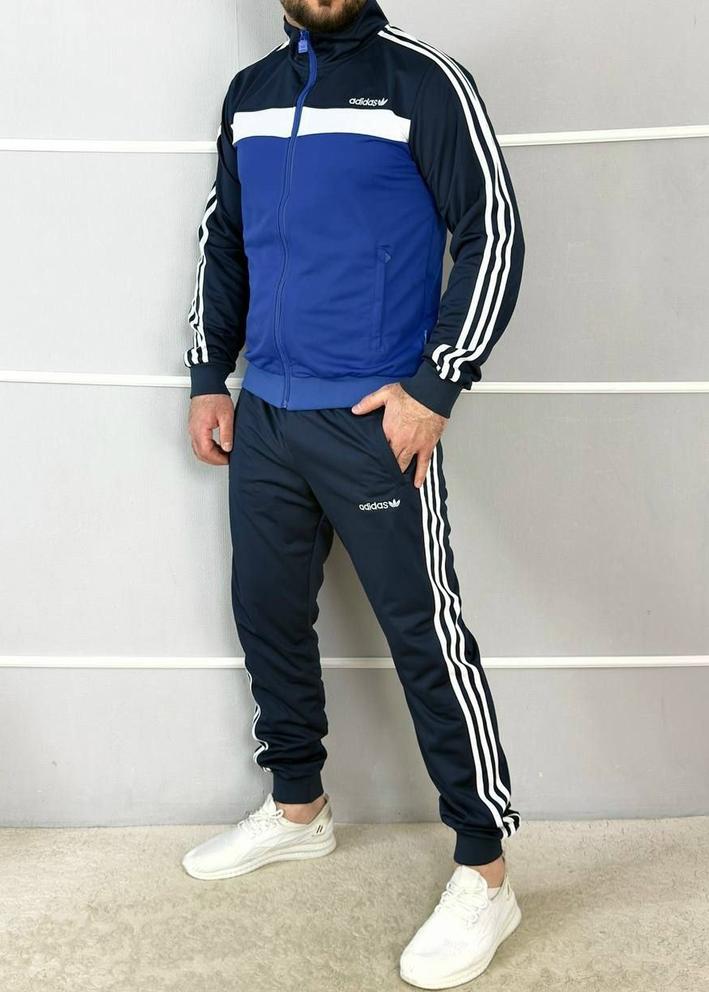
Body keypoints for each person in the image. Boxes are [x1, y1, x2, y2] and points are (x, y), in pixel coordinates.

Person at [181, 0, 525, 986]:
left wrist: (435, 385)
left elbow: (494, 233)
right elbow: (224, 239)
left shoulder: (422, 80)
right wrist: (210, 373)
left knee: (424, 636)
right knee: (267, 612)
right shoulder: (250, 94)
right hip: (266, 416)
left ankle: (485, 872)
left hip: (373, 423)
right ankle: (298, 808)